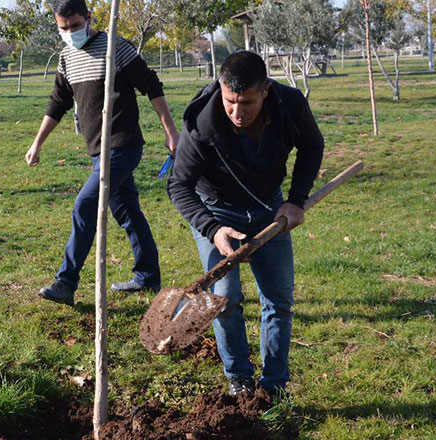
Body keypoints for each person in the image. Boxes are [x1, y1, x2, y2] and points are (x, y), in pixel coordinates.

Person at [167, 51, 324, 396]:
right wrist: (212, 229)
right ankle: (238, 377)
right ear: (221, 90)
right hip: (216, 211)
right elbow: (178, 185)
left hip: (270, 207)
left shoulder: (290, 105)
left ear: (266, 90)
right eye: (231, 101)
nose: (238, 112)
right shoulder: (202, 124)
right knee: (225, 298)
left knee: (278, 300)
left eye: (248, 102)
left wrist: (295, 199)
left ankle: (274, 385)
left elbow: (312, 146)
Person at [26, 0, 179, 306]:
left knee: (84, 206)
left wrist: (170, 132)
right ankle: (147, 277)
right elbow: (58, 103)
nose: (70, 33)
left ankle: (66, 283)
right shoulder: (67, 57)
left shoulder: (115, 48)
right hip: (97, 151)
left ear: (89, 18)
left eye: (75, 26)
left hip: (122, 146)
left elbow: (152, 85)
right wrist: (37, 143)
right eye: (63, 28)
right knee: (128, 212)